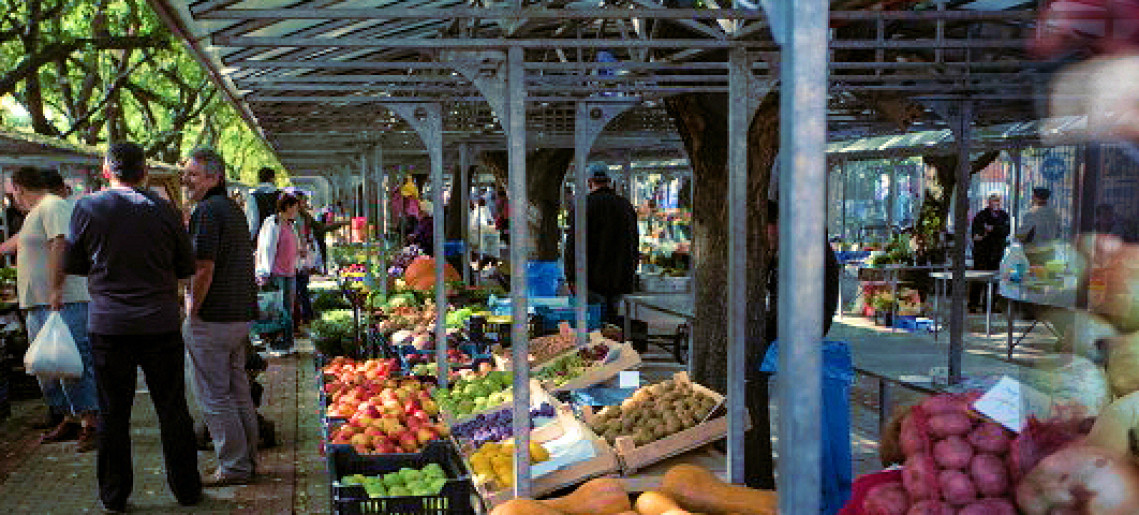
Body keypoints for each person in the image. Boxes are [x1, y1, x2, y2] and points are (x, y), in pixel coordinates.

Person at [65, 142, 201, 512]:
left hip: (109, 325)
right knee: (172, 408)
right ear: (144, 173)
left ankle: (114, 495)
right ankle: (187, 490)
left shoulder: (87, 208)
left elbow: (73, 263)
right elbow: (186, 265)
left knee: (112, 412)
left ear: (107, 171)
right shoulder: (166, 210)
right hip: (160, 322)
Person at [181, 147, 260, 486]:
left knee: (215, 395)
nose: (186, 181)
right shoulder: (231, 210)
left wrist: (191, 311)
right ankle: (246, 461)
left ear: (215, 177)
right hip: (238, 315)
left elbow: (203, 268)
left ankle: (234, 466)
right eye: (186, 174)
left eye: (193, 175)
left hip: (213, 318)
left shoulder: (208, 212)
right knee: (236, 391)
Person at [6, 167, 98, 452]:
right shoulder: (34, 214)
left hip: (61, 301)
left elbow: (61, 243)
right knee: (47, 365)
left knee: (72, 362)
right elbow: (21, 242)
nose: (13, 199)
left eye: (13, 193)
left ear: (20, 188)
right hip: (39, 303)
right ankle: (70, 417)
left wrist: (56, 288)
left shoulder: (53, 206)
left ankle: (92, 422)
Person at [564, 166, 639, 324]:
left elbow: (572, 245)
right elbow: (634, 242)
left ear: (589, 182)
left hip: (590, 279)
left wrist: (571, 277)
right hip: (619, 278)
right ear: (609, 181)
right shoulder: (625, 206)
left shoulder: (583, 206)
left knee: (593, 325)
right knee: (611, 324)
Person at [255, 191, 303, 357]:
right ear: (287, 207)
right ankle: (280, 343)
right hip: (276, 274)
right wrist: (264, 272)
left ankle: (287, 342)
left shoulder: (290, 225)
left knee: (287, 310)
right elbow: (267, 248)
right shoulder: (273, 224)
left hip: (290, 273)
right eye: (295, 207)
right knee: (278, 311)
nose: (297, 211)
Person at [970, 193, 1010, 311]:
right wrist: (986, 232)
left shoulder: (1003, 216)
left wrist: (992, 229)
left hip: (996, 252)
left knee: (994, 279)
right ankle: (973, 303)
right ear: (989, 203)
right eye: (993, 201)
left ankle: (990, 305)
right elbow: (977, 234)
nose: (996, 204)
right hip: (982, 252)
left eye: (998, 201)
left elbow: (1005, 231)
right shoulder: (981, 215)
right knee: (978, 278)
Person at [1017, 187, 1062, 253]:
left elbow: (1023, 234)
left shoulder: (1032, 213)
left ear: (1035, 197)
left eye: (1033, 196)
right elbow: (1058, 233)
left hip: (1034, 251)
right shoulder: (1055, 213)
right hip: (1050, 251)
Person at [245, 167, 279, 242]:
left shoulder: (253, 197)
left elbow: (253, 222)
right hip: (280, 238)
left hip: (262, 239)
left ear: (259, 179)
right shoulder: (281, 196)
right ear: (272, 179)